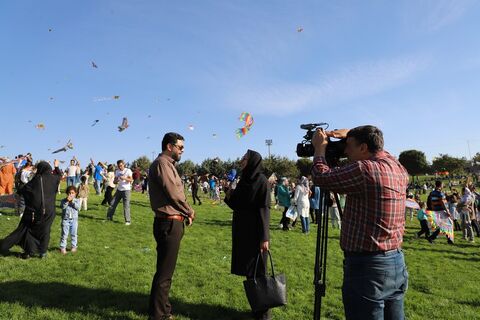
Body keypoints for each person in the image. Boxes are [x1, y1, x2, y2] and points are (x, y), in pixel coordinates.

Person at [311, 125, 409, 320]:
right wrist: (348, 134)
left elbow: (321, 177)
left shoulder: (364, 169)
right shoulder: (396, 166)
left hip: (367, 266)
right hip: (395, 261)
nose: (345, 151)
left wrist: (319, 149)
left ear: (363, 148)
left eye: (349, 146)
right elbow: (377, 146)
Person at [147, 132, 195, 320]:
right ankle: (158, 315)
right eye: (180, 147)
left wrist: (184, 213)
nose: (183, 150)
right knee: (165, 274)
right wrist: (189, 210)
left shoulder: (168, 165)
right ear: (170, 146)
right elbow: (173, 193)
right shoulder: (161, 164)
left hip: (172, 221)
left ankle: (164, 309)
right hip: (168, 223)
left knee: (166, 271)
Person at [224, 150, 271, 320]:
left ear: (252, 161)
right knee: (249, 274)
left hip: (256, 233)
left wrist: (264, 237)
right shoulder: (244, 179)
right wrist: (228, 193)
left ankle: (263, 314)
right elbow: (237, 204)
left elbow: (264, 209)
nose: (241, 160)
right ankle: (256, 310)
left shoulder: (262, 181)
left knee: (258, 274)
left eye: (244, 158)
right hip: (242, 232)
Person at [0, 160, 62, 258]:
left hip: (35, 211)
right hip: (50, 211)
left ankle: (29, 251)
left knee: (30, 231)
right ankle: (43, 252)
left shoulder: (36, 180)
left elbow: (23, 190)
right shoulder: (54, 179)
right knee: (45, 231)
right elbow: (59, 175)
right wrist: (57, 167)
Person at [107, 160, 133, 225]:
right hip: (119, 190)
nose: (120, 167)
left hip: (126, 190)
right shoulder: (117, 171)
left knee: (126, 206)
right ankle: (109, 217)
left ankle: (127, 221)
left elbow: (131, 180)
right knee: (112, 203)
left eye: (121, 165)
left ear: (124, 164)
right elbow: (114, 182)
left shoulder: (128, 171)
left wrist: (124, 178)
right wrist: (116, 181)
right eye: (118, 166)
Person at [59, 185, 81, 254]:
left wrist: (72, 202)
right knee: (64, 234)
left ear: (75, 193)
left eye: (72, 193)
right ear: (67, 193)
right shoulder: (63, 201)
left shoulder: (77, 200)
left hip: (74, 220)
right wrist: (67, 201)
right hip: (66, 220)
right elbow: (63, 207)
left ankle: (73, 246)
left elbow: (78, 208)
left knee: (74, 234)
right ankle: (63, 247)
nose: (70, 194)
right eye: (69, 193)